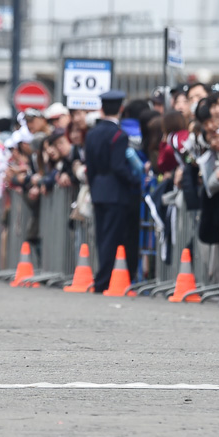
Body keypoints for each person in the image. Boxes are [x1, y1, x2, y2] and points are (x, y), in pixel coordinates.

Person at [84, 89, 142, 291]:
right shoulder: (119, 135)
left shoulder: (92, 134)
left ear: (101, 109)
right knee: (113, 236)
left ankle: (103, 277)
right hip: (116, 191)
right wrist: (135, 180)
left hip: (99, 188)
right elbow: (119, 166)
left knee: (102, 236)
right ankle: (104, 280)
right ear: (121, 109)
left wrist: (93, 186)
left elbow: (89, 167)